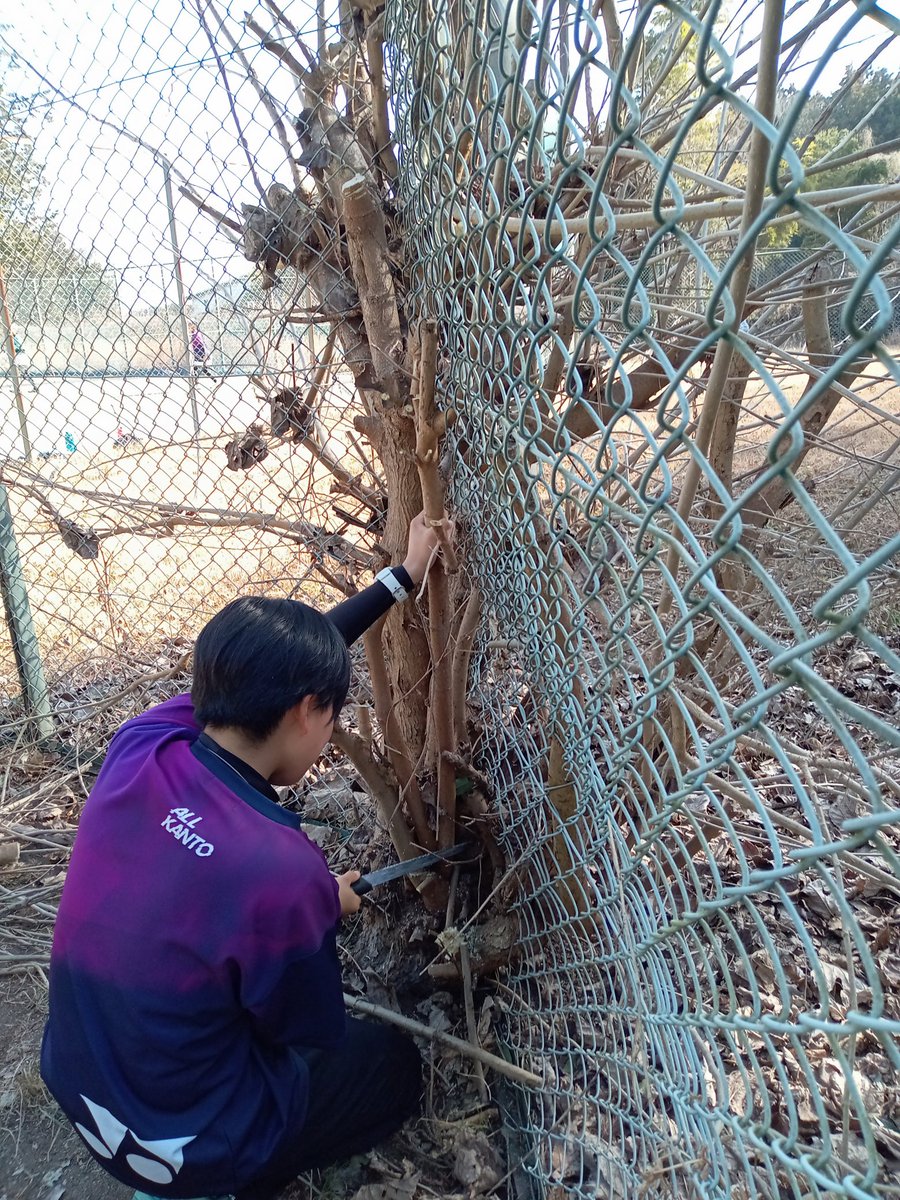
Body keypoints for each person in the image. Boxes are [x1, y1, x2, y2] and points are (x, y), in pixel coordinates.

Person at [41, 514, 447, 1200]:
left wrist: (400, 580)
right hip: (183, 1151)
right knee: (389, 1066)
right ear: (306, 712)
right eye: (333, 715)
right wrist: (327, 907)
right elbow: (298, 1029)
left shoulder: (142, 744)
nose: (331, 732)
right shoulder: (281, 872)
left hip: (81, 1089)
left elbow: (280, 664)